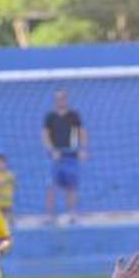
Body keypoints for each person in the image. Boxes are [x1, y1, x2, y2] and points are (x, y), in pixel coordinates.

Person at [41, 89, 87, 224]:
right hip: (55, 157)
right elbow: (45, 135)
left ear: (66, 99)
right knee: (50, 186)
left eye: (63, 98)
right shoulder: (50, 117)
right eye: (58, 98)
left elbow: (81, 132)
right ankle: (50, 216)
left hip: (71, 155)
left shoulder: (74, 116)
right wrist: (51, 150)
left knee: (71, 186)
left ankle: (72, 214)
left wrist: (82, 149)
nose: (60, 100)